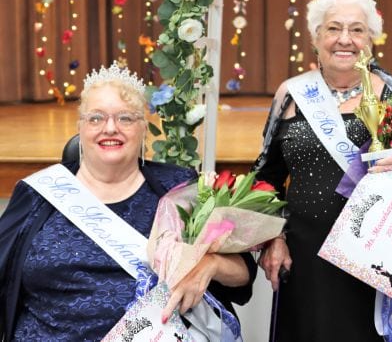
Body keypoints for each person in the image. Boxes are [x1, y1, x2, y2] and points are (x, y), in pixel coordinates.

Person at [253, 0, 392, 341]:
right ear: (316, 37)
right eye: (333, 28)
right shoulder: (291, 95)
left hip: (375, 264)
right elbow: (265, 179)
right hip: (304, 262)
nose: (344, 39)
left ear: (371, 40)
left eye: (357, 30)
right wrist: (272, 238)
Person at [0, 63, 256, 341]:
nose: (110, 128)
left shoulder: (179, 188)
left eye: (125, 118)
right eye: (96, 118)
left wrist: (209, 264)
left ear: (143, 128)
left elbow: (243, 273)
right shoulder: (37, 194)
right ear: (80, 128)